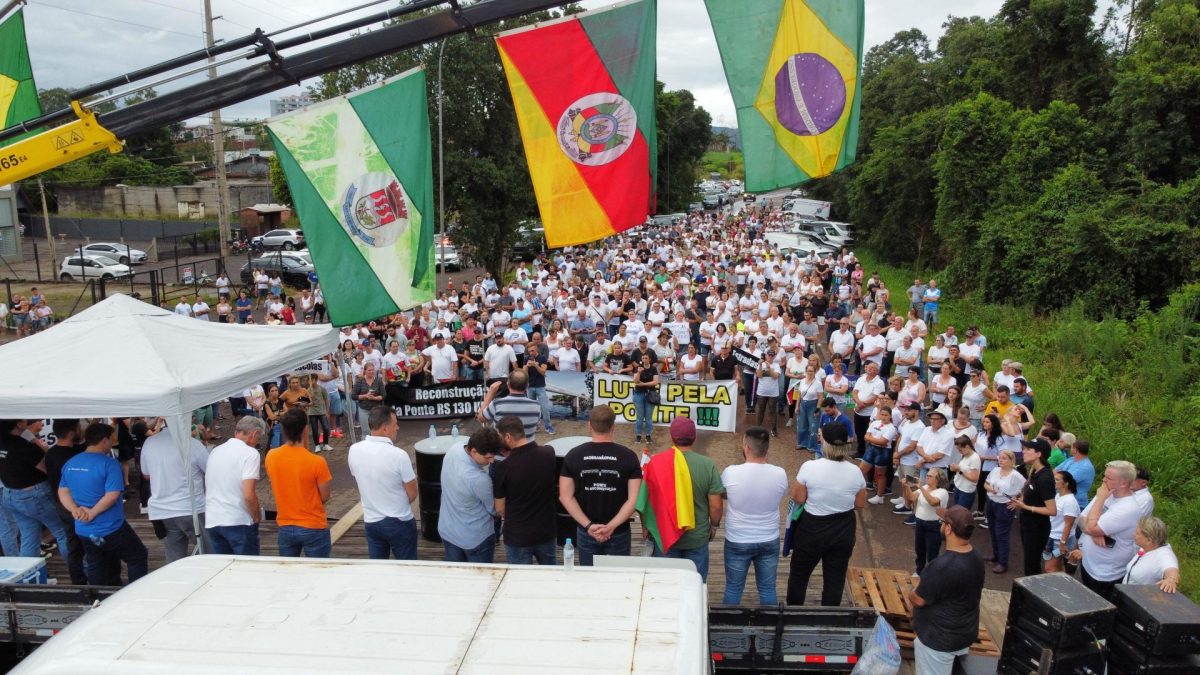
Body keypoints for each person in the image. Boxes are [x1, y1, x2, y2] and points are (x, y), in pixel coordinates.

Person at [58, 422, 149, 585]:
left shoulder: (71, 462)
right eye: (111, 439)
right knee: (137, 556)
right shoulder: (109, 463)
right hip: (110, 527)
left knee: (97, 562)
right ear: (104, 440)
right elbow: (112, 494)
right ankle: (136, 595)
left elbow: (63, 491)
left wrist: (75, 510)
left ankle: (98, 598)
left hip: (83, 529)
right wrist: (92, 513)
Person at [787, 423, 866, 606]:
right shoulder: (855, 471)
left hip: (812, 528)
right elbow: (859, 504)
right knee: (835, 578)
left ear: (824, 442)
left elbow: (798, 497)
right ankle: (830, 615)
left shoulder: (810, 467)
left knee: (799, 574)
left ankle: (794, 612)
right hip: (843, 528)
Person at [559, 406, 642, 565]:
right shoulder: (629, 456)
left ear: (589, 425)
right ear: (613, 427)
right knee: (618, 580)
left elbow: (565, 496)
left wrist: (588, 526)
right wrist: (611, 526)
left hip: (587, 531)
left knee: (589, 580)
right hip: (618, 531)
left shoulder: (573, 455)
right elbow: (634, 499)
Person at [644, 417, 724, 581]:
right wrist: (714, 526)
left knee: (666, 587)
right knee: (695, 586)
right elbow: (716, 506)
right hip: (697, 537)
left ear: (671, 437)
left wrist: (647, 527)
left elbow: (647, 500)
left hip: (665, 536)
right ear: (694, 438)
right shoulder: (707, 465)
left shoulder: (656, 462)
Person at [909, 506, 984, 674]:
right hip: (964, 634)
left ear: (948, 529)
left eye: (943, 522)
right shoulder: (977, 557)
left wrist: (910, 593)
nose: (941, 526)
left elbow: (919, 599)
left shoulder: (940, 567)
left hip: (938, 642)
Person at [720, 426, 788, 605]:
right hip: (769, 538)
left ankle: (729, 629)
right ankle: (770, 629)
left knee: (733, 588)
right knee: (767, 589)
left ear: (747, 448)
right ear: (766, 448)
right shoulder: (780, 474)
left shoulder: (730, 472)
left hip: (738, 539)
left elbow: (723, 493)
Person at [348, 407, 418, 560]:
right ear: (385, 429)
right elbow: (412, 493)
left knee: (379, 570)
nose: (398, 428)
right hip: (399, 520)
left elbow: (360, 479)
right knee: (408, 568)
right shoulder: (399, 455)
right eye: (395, 424)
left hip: (371, 521)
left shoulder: (354, 450)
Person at [0, 420, 73, 563]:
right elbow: (48, 468)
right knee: (63, 532)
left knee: (29, 537)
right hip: (33, 494)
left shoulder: (3, 442)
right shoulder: (24, 446)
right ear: (18, 424)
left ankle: (28, 579)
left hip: (11, 494)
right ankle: (79, 574)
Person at [139, 419, 211, 562]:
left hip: (162, 510)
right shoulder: (193, 445)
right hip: (190, 509)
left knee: (174, 557)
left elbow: (146, 474)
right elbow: (211, 470)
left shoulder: (149, 443)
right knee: (209, 553)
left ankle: (176, 583)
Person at [265, 409, 332, 558]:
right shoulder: (317, 462)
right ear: (305, 429)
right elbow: (325, 496)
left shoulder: (271, 456)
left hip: (285, 525)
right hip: (312, 525)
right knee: (318, 574)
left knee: (289, 576)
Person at [1070, 459, 1141, 600]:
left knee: (1095, 606)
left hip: (1105, 573)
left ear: (1123, 483)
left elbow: (1090, 526)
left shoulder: (1127, 508)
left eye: (1108, 478)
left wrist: (1100, 500)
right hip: (1088, 563)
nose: (1103, 480)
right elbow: (1081, 518)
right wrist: (1093, 533)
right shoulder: (1105, 493)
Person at [493, 415, 557, 565]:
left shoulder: (503, 468)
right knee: (552, 578)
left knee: (519, 582)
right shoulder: (548, 453)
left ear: (508, 437)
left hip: (517, 535)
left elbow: (499, 508)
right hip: (546, 531)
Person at [439, 428, 504, 563]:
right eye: (488, 457)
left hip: (448, 532)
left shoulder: (454, 449)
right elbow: (494, 510)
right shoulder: (479, 479)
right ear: (474, 451)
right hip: (476, 540)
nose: (492, 461)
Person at [204, 416, 265, 555]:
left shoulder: (215, 451)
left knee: (223, 570)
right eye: (258, 438)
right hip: (237, 519)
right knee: (246, 571)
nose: (257, 442)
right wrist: (256, 516)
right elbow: (249, 494)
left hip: (213, 519)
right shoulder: (250, 454)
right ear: (254, 435)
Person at [44, 419, 87, 583]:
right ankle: (93, 577)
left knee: (73, 544)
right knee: (87, 543)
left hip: (59, 503)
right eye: (79, 428)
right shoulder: (72, 456)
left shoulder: (51, 453)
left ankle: (78, 581)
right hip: (76, 505)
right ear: (71, 433)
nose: (81, 431)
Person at [1011, 437, 1057, 576]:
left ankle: (1031, 594)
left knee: (1032, 565)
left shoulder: (1045, 478)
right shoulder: (1035, 471)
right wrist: (1021, 499)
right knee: (1029, 562)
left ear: (1038, 454)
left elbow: (1052, 510)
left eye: (1027, 449)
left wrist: (1026, 507)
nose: (1023, 452)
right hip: (1027, 523)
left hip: (1037, 528)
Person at [982, 449, 1024, 574]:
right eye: (1000, 458)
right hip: (991, 502)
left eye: (1004, 458)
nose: (1001, 460)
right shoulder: (995, 470)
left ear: (1012, 461)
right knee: (993, 531)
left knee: (1002, 534)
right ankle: (996, 555)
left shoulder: (1016, 476)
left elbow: (1026, 488)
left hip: (1004, 506)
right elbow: (986, 484)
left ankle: (1003, 562)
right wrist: (990, 489)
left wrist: (1018, 502)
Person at [906, 468, 949, 576]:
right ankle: (919, 571)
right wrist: (905, 486)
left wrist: (920, 487)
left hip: (934, 525)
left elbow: (933, 502)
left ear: (938, 479)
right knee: (919, 549)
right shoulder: (925, 487)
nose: (927, 477)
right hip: (920, 522)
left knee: (932, 553)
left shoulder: (942, 492)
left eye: (930, 476)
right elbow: (911, 497)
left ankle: (931, 576)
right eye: (927, 475)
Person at [1123, 515, 1181, 593]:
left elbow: (1172, 569)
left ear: (1149, 540)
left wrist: (1171, 579)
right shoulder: (1147, 547)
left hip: (1139, 600)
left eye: (1137, 533)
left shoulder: (1164, 555)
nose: (1134, 534)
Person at [1043, 471, 1079, 574]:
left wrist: (1063, 544)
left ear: (1066, 484)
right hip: (1052, 536)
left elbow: (1069, 524)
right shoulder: (1058, 495)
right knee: (1058, 566)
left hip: (1060, 540)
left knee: (1050, 568)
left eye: (1057, 480)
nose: (1054, 481)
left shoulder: (1070, 501)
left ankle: (1054, 588)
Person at [792, 363, 824, 453]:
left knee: (813, 426)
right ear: (806, 371)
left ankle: (812, 446)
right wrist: (797, 406)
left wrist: (818, 408)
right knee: (801, 425)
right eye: (808, 371)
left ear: (814, 372)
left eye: (812, 371)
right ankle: (802, 443)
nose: (810, 372)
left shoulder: (818, 383)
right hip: (803, 404)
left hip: (813, 405)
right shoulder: (802, 381)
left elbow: (820, 396)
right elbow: (799, 395)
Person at [632, 352, 660, 443]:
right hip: (639, 394)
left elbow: (655, 382)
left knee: (648, 417)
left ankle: (648, 435)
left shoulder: (653, 369)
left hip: (650, 395)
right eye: (643, 358)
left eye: (646, 358)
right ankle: (638, 435)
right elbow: (636, 381)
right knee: (639, 417)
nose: (644, 360)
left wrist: (644, 384)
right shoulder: (638, 368)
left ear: (650, 359)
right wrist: (639, 372)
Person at [351, 362, 386, 430]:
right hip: (364, 410)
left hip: (376, 410)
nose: (371, 372)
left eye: (373, 370)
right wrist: (366, 396)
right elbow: (353, 396)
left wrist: (374, 398)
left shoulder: (378, 381)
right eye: (369, 370)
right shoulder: (360, 381)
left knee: (377, 430)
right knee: (366, 432)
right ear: (365, 371)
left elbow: (384, 395)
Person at [949, 435, 981, 508]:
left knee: (960, 514)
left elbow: (974, 478)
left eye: (960, 450)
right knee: (956, 511)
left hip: (966, 491)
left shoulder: (974, 459)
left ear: (967, 446)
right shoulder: (965, 455)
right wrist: (954, 468)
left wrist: (959, 470)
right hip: (959, 487)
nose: (959, 452)